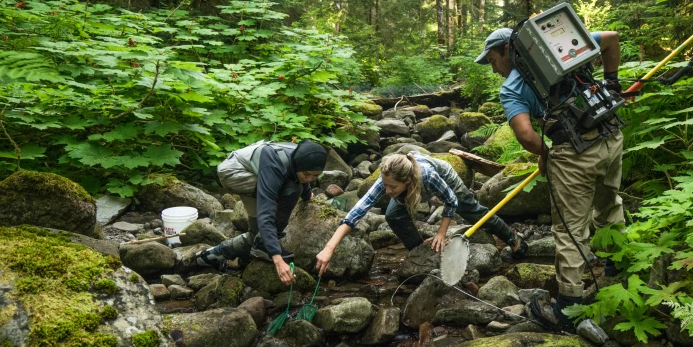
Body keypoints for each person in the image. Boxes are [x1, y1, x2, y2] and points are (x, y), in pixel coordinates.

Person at [476, 25, 624, 332]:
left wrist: (546, 153)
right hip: (611, 136)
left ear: (507, 50)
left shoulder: (513, 87)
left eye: (493, 61)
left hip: (575, 153)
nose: (494, 70)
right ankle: (617, 266)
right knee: (609, 203)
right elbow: (611, 39)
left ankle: (568, 309)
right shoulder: (559, 48)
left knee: (569, 229)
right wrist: (612, 84)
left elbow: (526, 136)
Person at [315, 150, 525, 275]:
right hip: (412, 184)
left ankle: (512, 239)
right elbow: (357, 211)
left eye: (392, 188)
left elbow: (450, 201)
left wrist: (441, 233)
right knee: (393, 214)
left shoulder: (428, 176)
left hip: (444, 176)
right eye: (385, 186)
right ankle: (420, 253)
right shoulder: (388, 179)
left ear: (406, 182)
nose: (386, 191)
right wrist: (329, 248)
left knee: (471, 211)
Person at [196, 138, 327, 285]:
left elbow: (300, 177)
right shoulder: (275, 164)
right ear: (298, 165)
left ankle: (206, 257)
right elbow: (267, 212)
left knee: (256, 234)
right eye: (307, 174)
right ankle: (263, 246)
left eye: (315, 176)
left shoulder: (304, 158)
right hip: (234, 172)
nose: (309, 178)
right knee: (291, 190)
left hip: (255, 171)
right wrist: (277, 258)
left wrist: (307, 195)